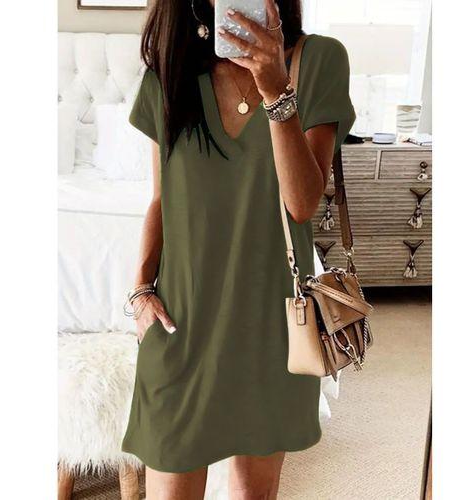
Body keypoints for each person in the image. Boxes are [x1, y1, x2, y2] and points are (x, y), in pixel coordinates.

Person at [121, 0, 355, 497]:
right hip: (180, 325)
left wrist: (276, 90)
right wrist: (140, 289)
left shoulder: (318, 60)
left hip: (270, 328)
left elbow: (302, 204)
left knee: (254, 494)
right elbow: (161, 199)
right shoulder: (170, 74)